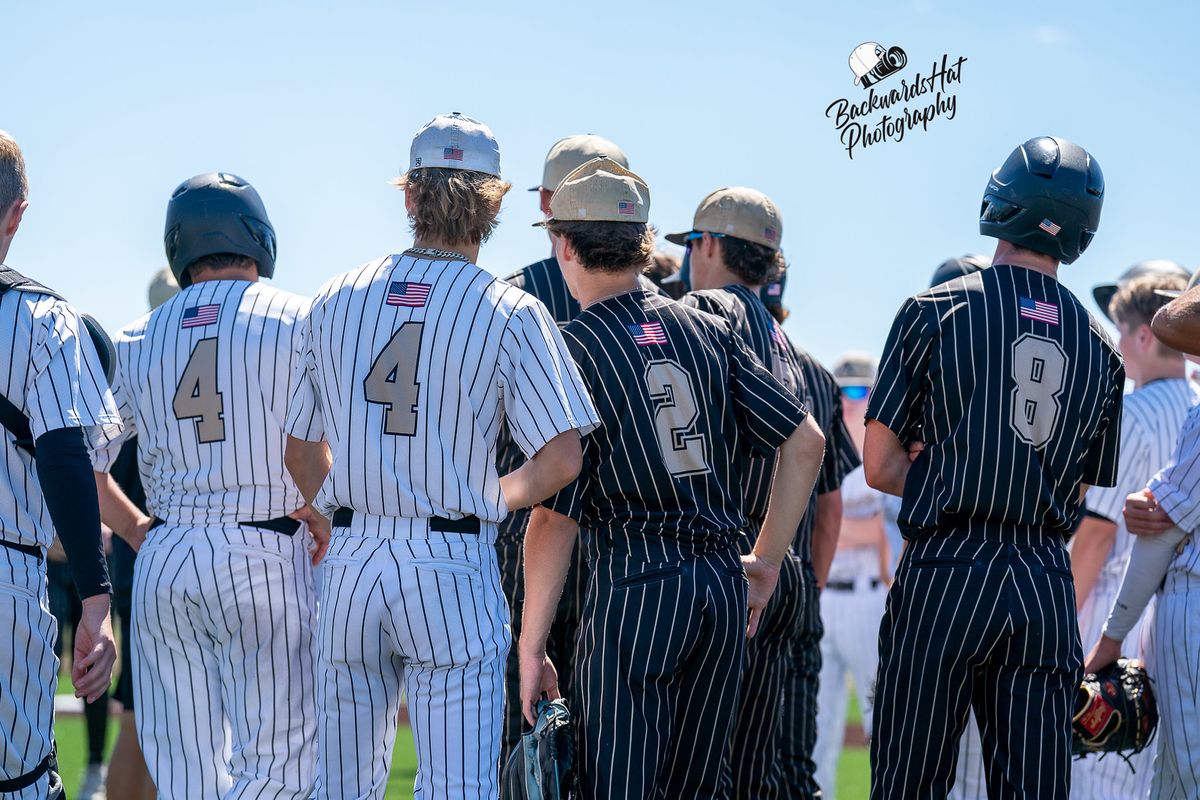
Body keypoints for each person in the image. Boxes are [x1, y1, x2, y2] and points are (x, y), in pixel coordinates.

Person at [284, 112, 598, 799]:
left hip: (353, 560)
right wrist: (495, 496)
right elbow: (564, 457)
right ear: (493, 204)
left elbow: (299, 450)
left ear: (409, 195)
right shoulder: (509, 308)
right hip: (451, 560)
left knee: (340, 786)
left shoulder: (333, 297)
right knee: (457, 788)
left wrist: (344, 516)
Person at [518, 157, 827, 798]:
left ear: (563, 244)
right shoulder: (706, 329)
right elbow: (806, 443)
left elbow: (553, 516)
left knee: (619, 784)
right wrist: (766, 561)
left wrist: (531, 645)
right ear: (645, 244)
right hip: (719, 584)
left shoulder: (574, 345)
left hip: (635, 583)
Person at [865, 135, 1123, 799]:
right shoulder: (1103, 349)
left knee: (908, 783)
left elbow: (878, 464)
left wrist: (946, 468)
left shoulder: (937, 308)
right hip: (1042, 577)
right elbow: (1084, 483)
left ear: (1002, 198)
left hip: (948, 566)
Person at [92, 173, 326, 799]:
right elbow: (330, 447)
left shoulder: (138, 335)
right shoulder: (301, 318)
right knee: (282, 769)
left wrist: (139, 529)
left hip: (168, 557)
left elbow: (85, 466)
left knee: (184, 778)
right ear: (258, 235)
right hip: (268, 548)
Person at [495, 133, 642, 767]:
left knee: (523, 745)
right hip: (630, 551)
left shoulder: (507, 295)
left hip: (532, 531)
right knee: (622, 751)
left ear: (552, 206)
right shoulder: (660, 294)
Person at [671, 185, 811, 797]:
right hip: (777, 568)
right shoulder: (787, 343)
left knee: (694, 769)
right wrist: (773, 559)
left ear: (709, 245)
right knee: (753, 770)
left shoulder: (706, 311)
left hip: (726, 561)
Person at [0, 129, 119, 799]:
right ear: (17, 214)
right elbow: (67, 460)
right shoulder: (43, 317)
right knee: (19, 784)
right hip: (6, 575)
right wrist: (96, 602)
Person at [1069, 272, 1194, 796]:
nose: (1118, 343)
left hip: (1113, 609)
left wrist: (1060, 628)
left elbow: (1096, 536)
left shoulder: (1129, 412)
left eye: (1122, 330)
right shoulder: (1192, 402)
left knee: (1102, 774)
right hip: (1170, 612)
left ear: (1144, 334)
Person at [104, 267, 177, 800]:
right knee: (145, 717)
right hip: (158, 553)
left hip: (145, 564)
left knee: (144, 713)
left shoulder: (139, 365)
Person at [812, 352, 890, 800]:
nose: (849, 400)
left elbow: (885, 537)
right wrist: (857, 528)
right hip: (827, 594)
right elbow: (851, 529)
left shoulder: (884, 453)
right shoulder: (823, 447)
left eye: (860, 390)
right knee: (816, 726)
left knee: (879, 720)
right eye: (843, 391)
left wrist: (843, 526)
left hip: (868, 599)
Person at [45, 534, 111, 799]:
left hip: (90, 560)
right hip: (43, 558)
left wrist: (107, 527)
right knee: (44, 661)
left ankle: (96, 766)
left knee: (94, 661)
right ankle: (41, 758)